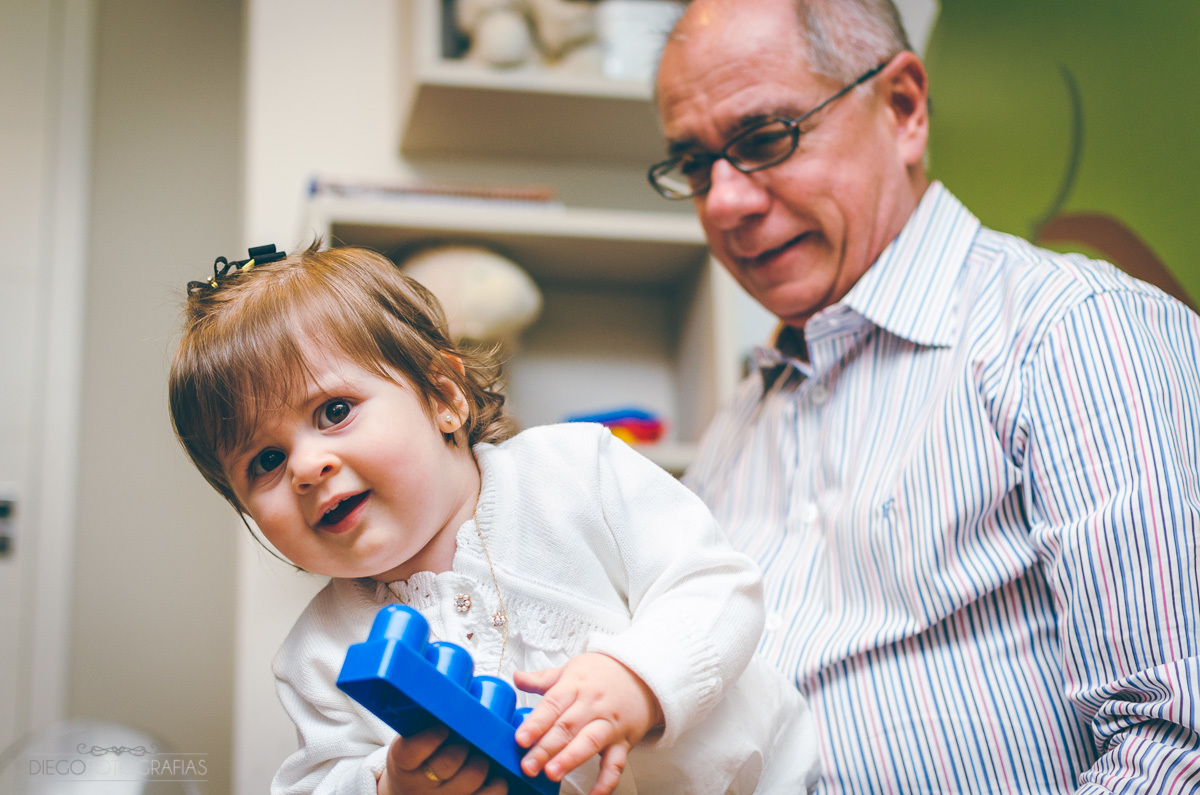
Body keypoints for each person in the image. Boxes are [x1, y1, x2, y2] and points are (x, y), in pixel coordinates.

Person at [650, 0, 1200, 792]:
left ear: (904, 107)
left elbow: (1177, 739)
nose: (724, 202)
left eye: (765, 138)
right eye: (696, 165)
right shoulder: (733, 428)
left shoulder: (1074, 332)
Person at [168, 243, 817, 795]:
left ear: (443, 398)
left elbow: (719, 585)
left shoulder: (574, 470)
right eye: (266, 460)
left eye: (334, 411)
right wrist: (390, 782)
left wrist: (638, 677)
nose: (306, 466)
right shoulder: (318, 654)